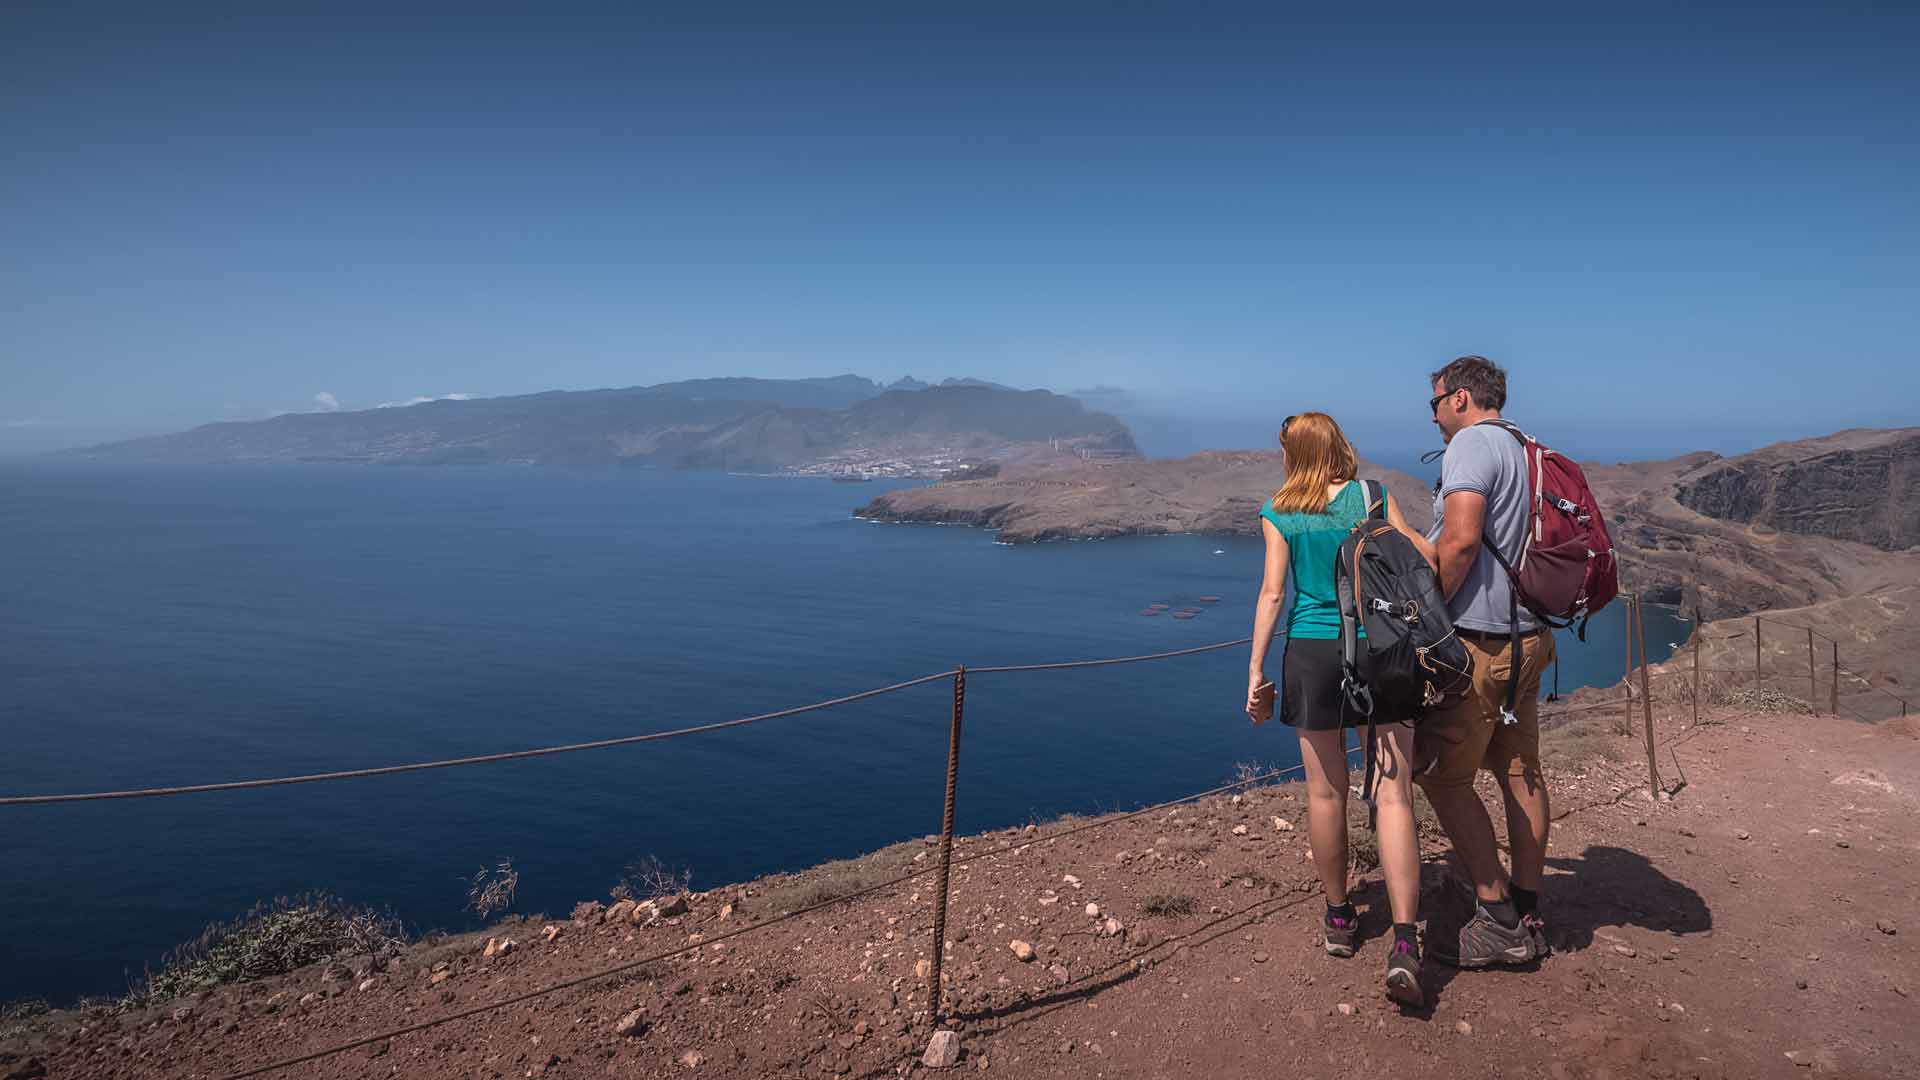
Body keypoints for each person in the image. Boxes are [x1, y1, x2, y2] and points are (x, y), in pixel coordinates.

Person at [1245, 411, 1431, 1008]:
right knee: (1395, 792)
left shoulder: (1280, 510)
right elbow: (1420, 561)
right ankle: (1405, 941)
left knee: (1326, 794)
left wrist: (1254, 672)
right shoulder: (1374, 497)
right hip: (1384, 649)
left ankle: (1341, 917)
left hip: (1314, 653)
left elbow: (1274, 592)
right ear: (1337, 445)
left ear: (1293, 451)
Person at [1416, 355, 1557, 967]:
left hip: (1482, 645)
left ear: (1462, 398)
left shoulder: (1471, 445)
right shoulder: (1528, 447)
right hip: (1530, 637)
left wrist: (1430, 615)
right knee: (1519, 768)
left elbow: (1462, 539)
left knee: (1443, 777)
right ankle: (1527, 905)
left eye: (1435, 402)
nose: (1434, 416)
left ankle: (1497, 916)